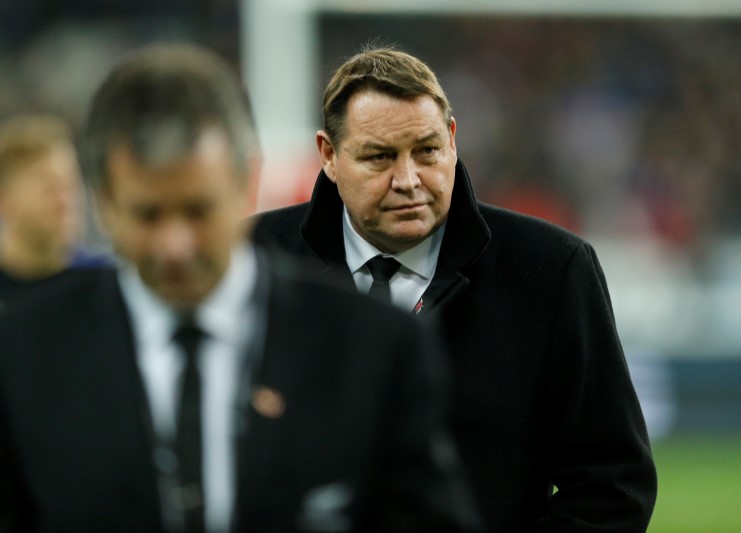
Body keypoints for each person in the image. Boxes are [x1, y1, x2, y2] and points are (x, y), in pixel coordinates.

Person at [0, 44, 481, 532]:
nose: (175, 245)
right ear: (103, 200)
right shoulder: (22, 356)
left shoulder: (372, 348)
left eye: (197, 210)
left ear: (246, 182)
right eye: (147, 214)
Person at [251, 46, 658, 532]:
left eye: (426, 151)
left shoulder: (551, 270)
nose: (408, 180)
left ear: (452, 139)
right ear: (329, 156)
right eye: (379, 157)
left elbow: (612, 484)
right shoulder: (254, 263)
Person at [0, 114, 110, 308]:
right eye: (47, 190)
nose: (64, 200)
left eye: (69, 184)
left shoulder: (104, 283)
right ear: (5, 200)